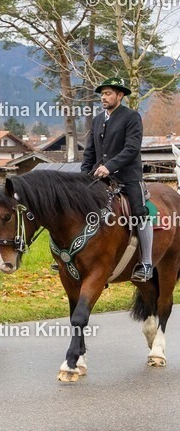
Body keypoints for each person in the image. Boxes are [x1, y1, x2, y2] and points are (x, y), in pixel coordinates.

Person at [81, 76, 151, 282]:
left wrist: (109, 167)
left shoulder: (132, 117)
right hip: (98, 177)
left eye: (108, 93)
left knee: (139, 213)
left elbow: (132, 148)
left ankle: (146, 263)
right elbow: (90, 152)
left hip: (128, 177)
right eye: (102, 94)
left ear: (120, 95)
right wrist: (83, 177)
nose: (103, 97)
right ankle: (73, 256)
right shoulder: (97, 120)